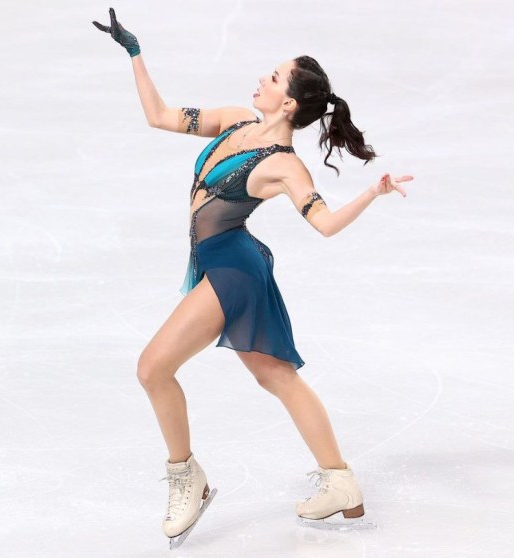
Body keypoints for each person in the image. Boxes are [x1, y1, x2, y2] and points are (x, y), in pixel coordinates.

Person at [93, 8, 413, 545]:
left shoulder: (286, 164)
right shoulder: (236, 119)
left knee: (152, 368)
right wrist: (135, 53)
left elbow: (326, 224)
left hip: (231, 269)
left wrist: (372, 192)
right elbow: (161, 116)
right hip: (222, 262)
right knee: (275, 376)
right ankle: (341, 483)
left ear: (288, 101)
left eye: (272, 76)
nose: (261, 80)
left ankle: (186, 478)